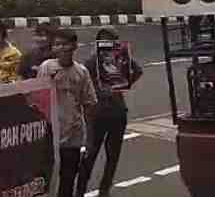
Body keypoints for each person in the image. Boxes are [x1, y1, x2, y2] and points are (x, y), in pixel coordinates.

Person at [77, 28, 144, 197]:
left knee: (113, 156)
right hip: (97, 114)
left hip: (118, 112)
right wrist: (98, 92)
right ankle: (80, 191)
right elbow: (83, 85)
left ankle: (104, 191)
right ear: (98, 43)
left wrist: (122, 84)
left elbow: (137, 71)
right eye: (104, 41)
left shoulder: (121, 59)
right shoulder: (92, 62)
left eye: (112, 40)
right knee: (90, 154)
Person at [39, 30, 97, 197]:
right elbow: (36, 97)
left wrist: (90, 139)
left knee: (68, 179)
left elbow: (89, 106)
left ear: (74, 46)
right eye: (57, 44)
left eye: (65, 44)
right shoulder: (47, 67)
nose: (61, 48)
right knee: (45, 180)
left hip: (72, 136)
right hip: (49, 135)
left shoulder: (82, 72)